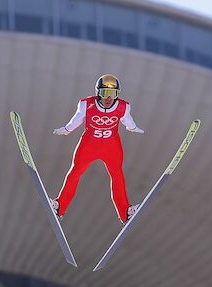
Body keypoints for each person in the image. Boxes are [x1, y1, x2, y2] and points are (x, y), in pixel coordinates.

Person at [51, 74, 144, 224]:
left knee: (117, 175)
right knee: (75, 172)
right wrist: (67, 129)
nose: (108, 98)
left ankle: (125, 212)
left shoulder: (123, 106)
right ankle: (59, 207)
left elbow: (128, 120)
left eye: (112, 94)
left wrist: (133, 127)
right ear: (97, 93)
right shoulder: (86, 104)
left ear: (117, 94)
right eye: (104, 93)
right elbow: (77, 119)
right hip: (89, 143)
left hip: (111, 145)